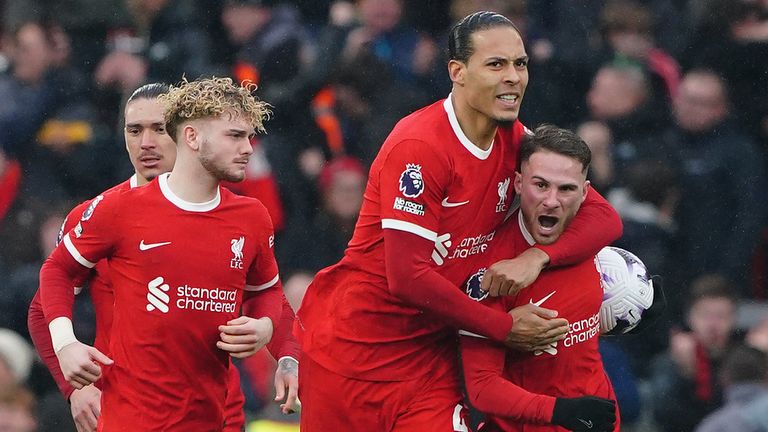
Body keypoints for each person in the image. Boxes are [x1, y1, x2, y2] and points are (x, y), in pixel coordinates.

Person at [295, 11, 622, 430]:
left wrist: (538, 258)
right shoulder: (420, 146)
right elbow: (407, 277)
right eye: (496, 64)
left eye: (520, 64)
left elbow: (603, 217)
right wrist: (503, 328)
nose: (513, 77)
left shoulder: (516, 141)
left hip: (431, 364)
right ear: (458, 72)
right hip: (352, 355)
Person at [37, 77, 287, 431]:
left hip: (219, 410)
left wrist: (282, 347)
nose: (147, 143)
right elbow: (47, 293)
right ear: (192, 136)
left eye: (158, 128)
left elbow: (267, 292)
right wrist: (73, 383)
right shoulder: (106, 211)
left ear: (180, 134)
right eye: (135, 130)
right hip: (132, 410)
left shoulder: (247, 216)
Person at [459, 125, 617, 431]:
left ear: (585, 192)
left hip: (597, 419)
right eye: (540, 185)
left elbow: (581, 324)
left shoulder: (587, 239)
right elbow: (482, 387)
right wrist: (559, 411)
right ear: (518, 183)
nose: (551, 201)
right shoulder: (492, 270)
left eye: (566, 189)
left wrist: (637, 313)